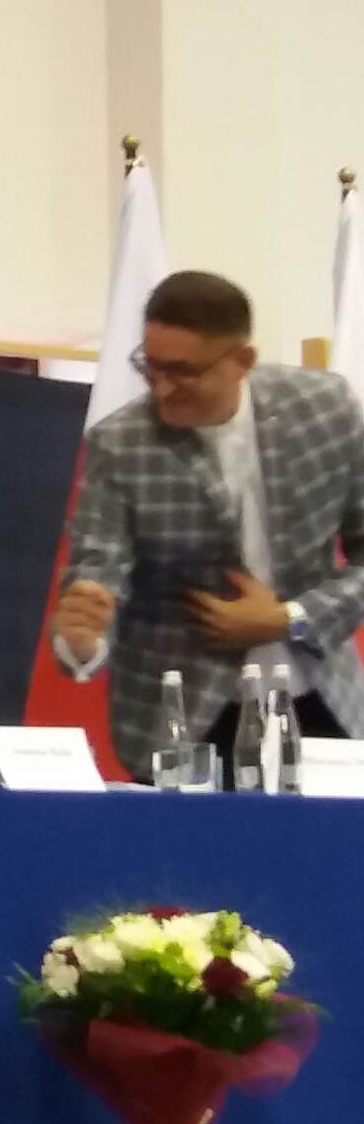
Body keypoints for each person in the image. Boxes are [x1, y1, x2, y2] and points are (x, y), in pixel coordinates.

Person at [52, 270, 364, 781]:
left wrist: (291, 618)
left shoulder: (323, 410)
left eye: (182, 371)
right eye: (150, 367)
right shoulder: (121, 445)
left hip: (325, 704)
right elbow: (98, 571)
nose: (162, 388)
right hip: (185, 721)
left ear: (242, 361)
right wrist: (82, 639)